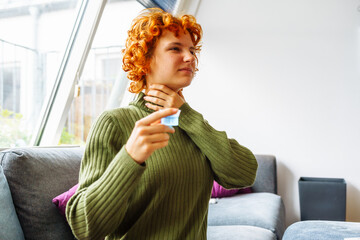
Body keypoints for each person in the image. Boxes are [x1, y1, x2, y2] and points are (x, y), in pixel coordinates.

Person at [66, 8, 258, 240]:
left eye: (192, 50)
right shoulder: (114, 122)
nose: (189, 57)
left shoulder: (190, 125)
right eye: (175, 48)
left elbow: (245, 174)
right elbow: (84, 227)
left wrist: (185, 115)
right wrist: (130, 157)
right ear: (145, 59)